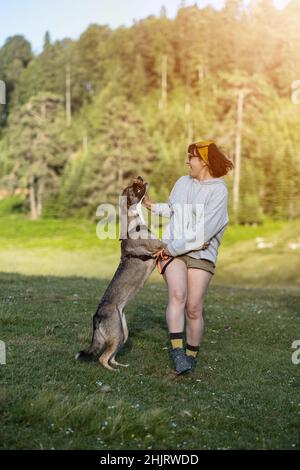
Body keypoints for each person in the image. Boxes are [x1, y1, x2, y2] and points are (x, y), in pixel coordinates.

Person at [142, 140, 234, 374]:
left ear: (203, 161)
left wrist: (171, 249)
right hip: (173, 249)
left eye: (191, 157)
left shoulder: (218, 191)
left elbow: (203, 234)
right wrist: (153, 206)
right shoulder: (183, 182)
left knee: (193, 307)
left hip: (200, 254)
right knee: (177, 294)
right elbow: (175, 209)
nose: (187, 161)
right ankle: (177, 352)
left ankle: (191, 354)